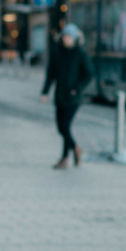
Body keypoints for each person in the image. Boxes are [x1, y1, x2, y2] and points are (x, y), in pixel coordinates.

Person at [41, 23, 92, 168]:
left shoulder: (80, 53)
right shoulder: (57, 52)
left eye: (69, 37)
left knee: (65, 126)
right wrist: (45, 92)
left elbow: (89, 74)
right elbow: (50, 74)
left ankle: (64, 158)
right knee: (61, 128)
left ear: (75, 38)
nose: (66, 39)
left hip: (73, 97)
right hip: (60, 95)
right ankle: (75, 148)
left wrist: (77, 88)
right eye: (65, 36)